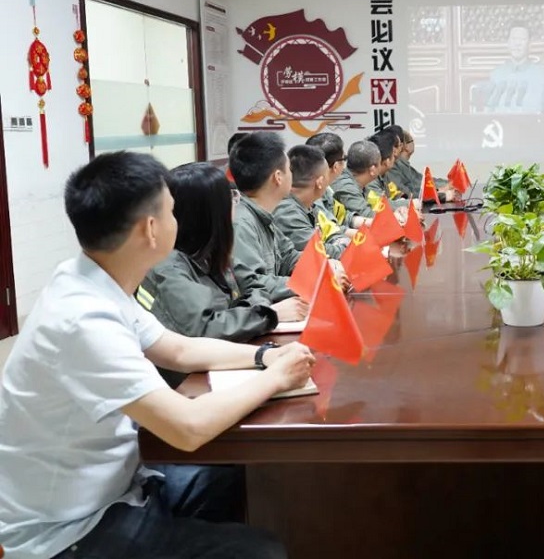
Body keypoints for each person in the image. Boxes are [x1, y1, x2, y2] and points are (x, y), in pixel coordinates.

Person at [0, 151, 314, 559]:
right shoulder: (82, 321)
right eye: (171, 211)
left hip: (117, 485)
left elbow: (179, 349)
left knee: (230, 478)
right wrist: (276, 378)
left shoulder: (92, 280)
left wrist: (264, 357)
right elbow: (187, 427)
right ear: (151, 229)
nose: (176, 222)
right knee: (261, 551)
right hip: (69, 530)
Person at [139, 163, 307, 387]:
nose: (235, 205)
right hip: (187, 383)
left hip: (223, 359)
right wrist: (269, 314)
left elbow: (254, 285)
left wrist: (252, 311)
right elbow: (205, 329)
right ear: (211, 212)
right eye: (230, 199)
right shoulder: (168, 266)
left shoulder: (211, 250)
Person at [229, 132, 301, 302]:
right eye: (289, 169)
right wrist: (308, 283)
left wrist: (323, 267)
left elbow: (288, 256)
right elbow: (253, 284)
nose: (292, 174)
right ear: (278, 177)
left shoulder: (263, 214)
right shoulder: (241, 223)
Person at [273, 145, 352, 260]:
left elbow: (331, 232)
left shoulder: (309, 204)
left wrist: (340, 241)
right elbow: (319, 251)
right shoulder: (286, 212)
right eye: (327, 176)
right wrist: (346, 246)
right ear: (320, 182)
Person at [479, 21, 544, 114]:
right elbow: (488, 112)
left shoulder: (542, 75)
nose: (517, 43)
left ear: (529, 45)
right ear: (508, 43)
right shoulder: (496, 75)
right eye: (514, 39)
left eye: (522, 39)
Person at [330, 140, 382, 229]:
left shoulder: (361, 183)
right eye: (380, 163)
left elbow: (379, 203)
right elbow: (367, 215)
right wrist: (394, 217)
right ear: (372, 169)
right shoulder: (346, 186)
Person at [304, 131, 349, 227]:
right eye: (344, 158)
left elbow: (340, 216)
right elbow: (328, 228)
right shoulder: (312, 193)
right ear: (336, 166)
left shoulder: (326, 189)